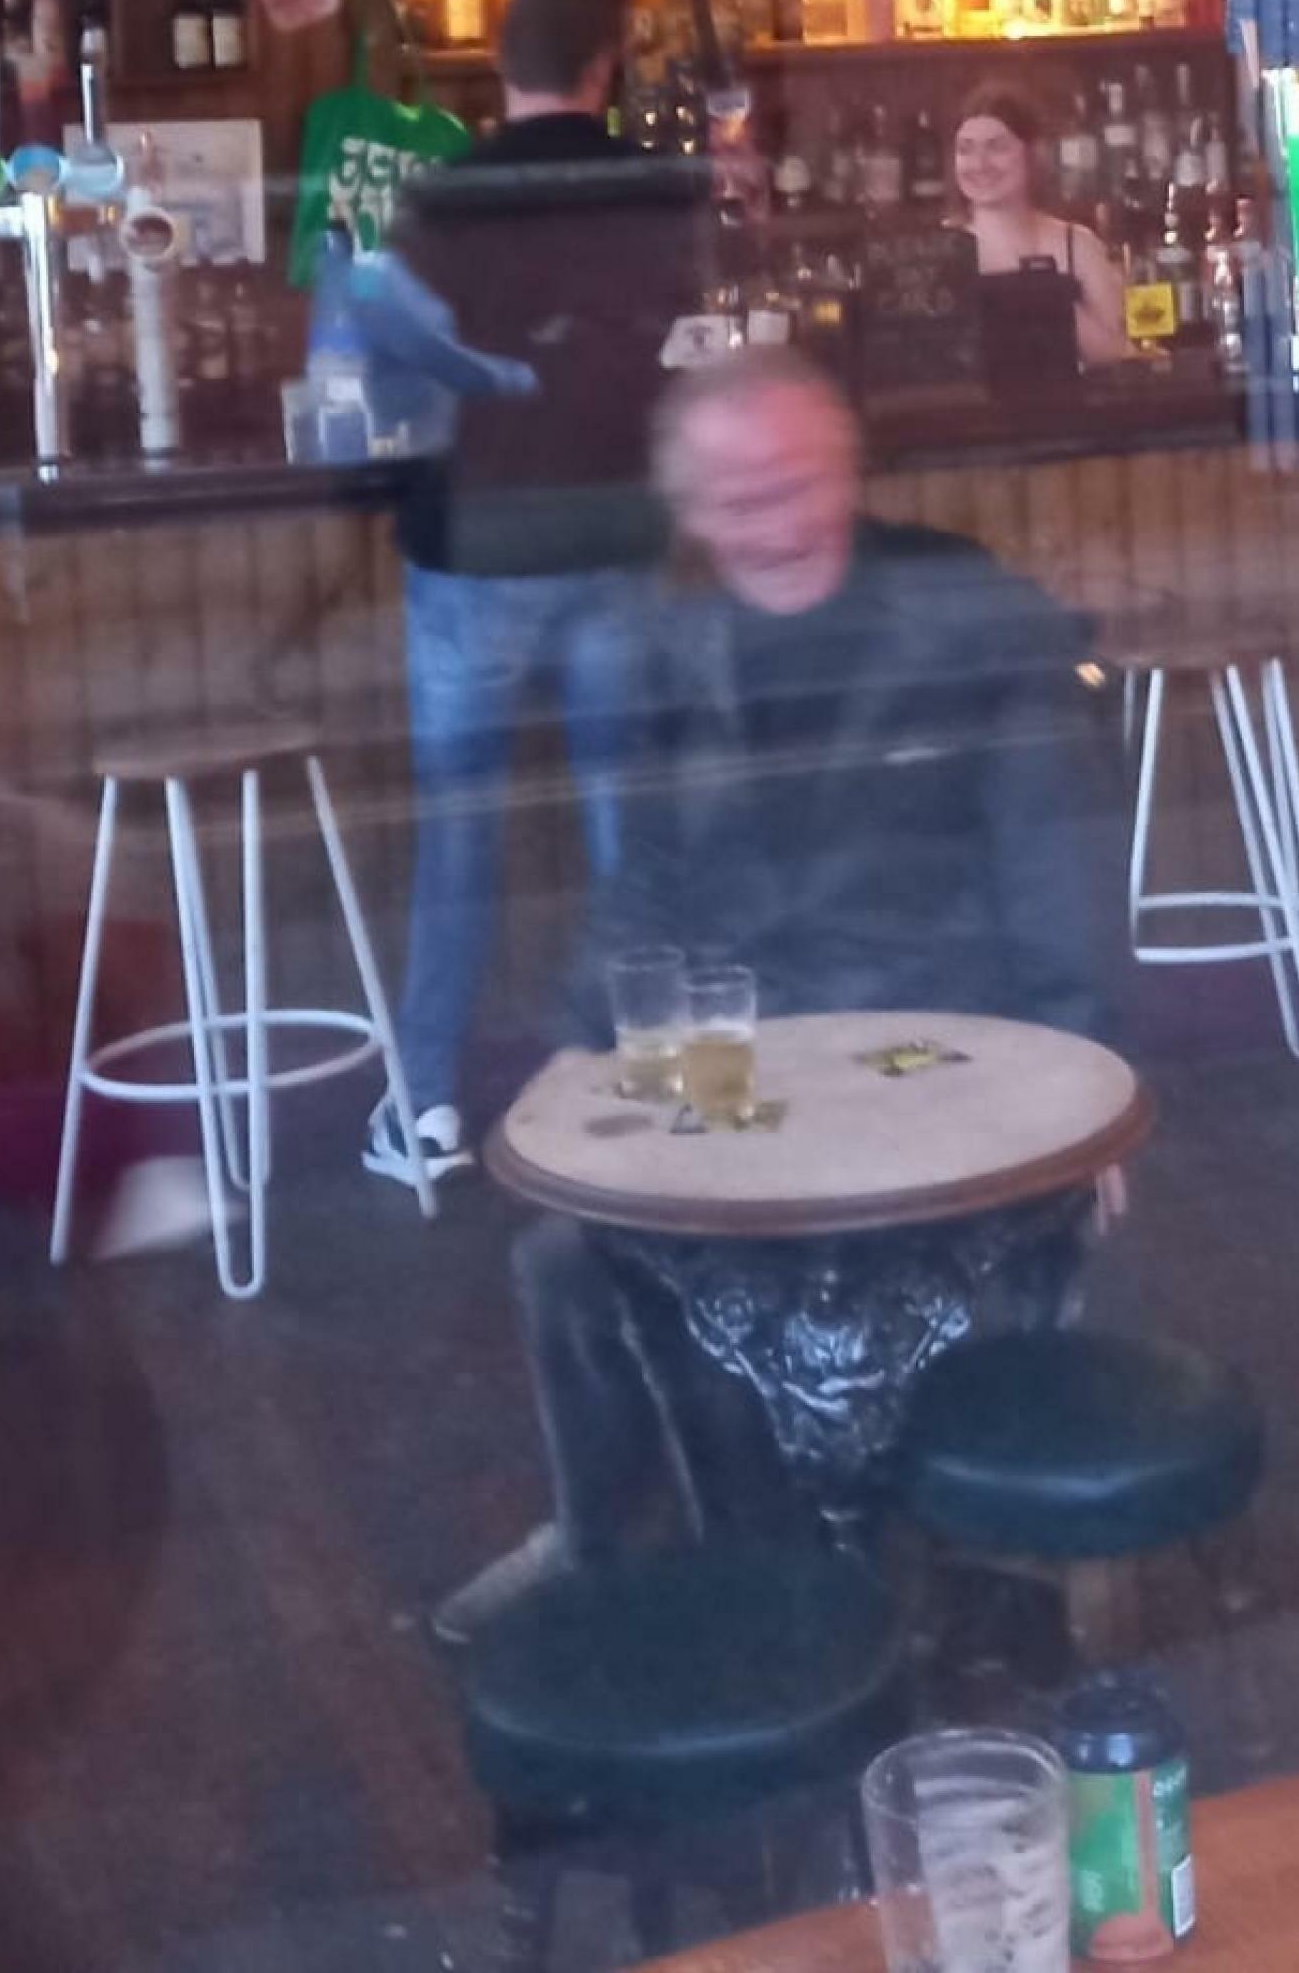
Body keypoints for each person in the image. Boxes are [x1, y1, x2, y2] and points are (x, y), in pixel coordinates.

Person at [434, 350, 1123, 1635]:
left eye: (797, 483)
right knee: (567, 1261)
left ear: (849, 469)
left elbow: (1055, 866)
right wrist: (579, 1048)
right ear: (689, 511)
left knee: (799, 1272)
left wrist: (1090, 1088)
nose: (775, 520)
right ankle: (609, 1549)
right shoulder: (658, 648)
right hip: (748, 1051)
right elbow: (644, 883)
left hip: (943, 1054)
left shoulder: (968, 621)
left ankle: (839, 1575)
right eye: (738, 499)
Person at [363, 0, 710, 1188]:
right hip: (614, 532)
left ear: (498, 69)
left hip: (476, 544)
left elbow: (390, 375)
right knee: (629, 831)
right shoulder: (655, 187)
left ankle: (425, 1106)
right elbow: (685, 346)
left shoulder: (439, 198)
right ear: (606, 65)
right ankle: (651, 1082)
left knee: (458, 835)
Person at [949, 80, 1131, 370]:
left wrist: (1049, 299)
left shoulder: (1077, 244)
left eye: (996, 147)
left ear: (1033, 154)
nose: (979, 164)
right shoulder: (938, 250)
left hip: (1063, 400)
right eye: (965, 149)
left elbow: (1115, 354)